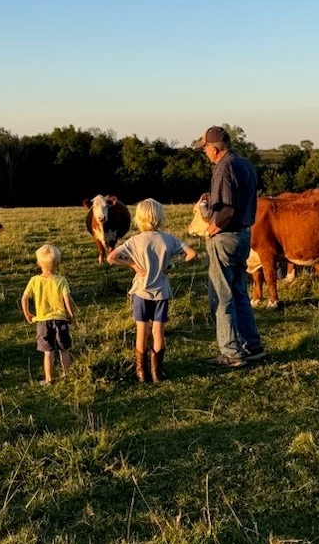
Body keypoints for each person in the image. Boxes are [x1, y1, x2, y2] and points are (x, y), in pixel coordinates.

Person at [191, 125, 265, 367]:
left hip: (225, 237)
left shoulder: (222, 168)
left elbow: (227, 209)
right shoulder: (245, 164)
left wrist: (211, 228)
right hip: (244, 235)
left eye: (205, 149)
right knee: (239, 292)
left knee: (221, 296)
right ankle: (253, 346)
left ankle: (231, 352)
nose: (204, 153)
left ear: (214, 148)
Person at [108, 198, 196, 383]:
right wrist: (174, 265)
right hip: (161, 292)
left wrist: (132, 264)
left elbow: (112, 257)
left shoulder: (135, 240)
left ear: (139, 218)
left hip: (141, 292)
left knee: (142, 331)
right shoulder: (169, 239)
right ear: (160, 217)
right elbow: (191, 254)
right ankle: (157, 373)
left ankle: (141, 373)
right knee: (158, 332)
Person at [21, 243, 76, 384]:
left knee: (48, 351)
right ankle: (66, 376)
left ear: (38, 263)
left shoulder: (34, 280)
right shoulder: (61, 280)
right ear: (58, 263)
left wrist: (27, 313)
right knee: (64, 349)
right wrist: (71, 315)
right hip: (60, 319)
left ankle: (49, 379)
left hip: (42, 321)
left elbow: (24, 298)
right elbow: (67, 300)